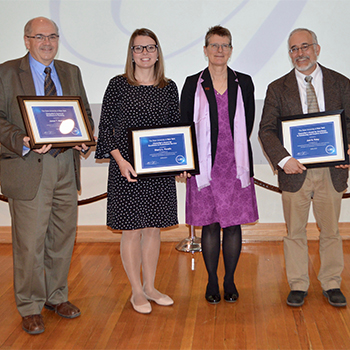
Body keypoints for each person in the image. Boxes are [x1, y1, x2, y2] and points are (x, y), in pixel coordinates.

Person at [0, 17, 93, 334]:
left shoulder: (70, 72)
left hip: (66, 164)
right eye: (39, 36)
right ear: (26, 40)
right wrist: (21, 140)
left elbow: (84, 114)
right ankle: (29, 306)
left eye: (52, 36)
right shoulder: (7, 72)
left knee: (62, 238)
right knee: (30, 243)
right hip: (29, 166)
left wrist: (85, 137)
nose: (47, 42)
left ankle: (56, 297)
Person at [259, 28, 350, 307]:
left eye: (305, 47)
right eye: (294, 49)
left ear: (317, 48)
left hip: (331, 171)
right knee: (294, 232)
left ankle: (332, 282)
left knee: (331, 231)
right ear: (289, 54)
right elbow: (266, 130)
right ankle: (298, 284)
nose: (300, 53)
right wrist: (284, 160)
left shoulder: (341, 83)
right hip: (294, 171)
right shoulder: (277, 88)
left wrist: (348, 149)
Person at [95, 28, 179, 314]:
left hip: (158, 168)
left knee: (153, 228)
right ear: (131, 54)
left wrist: (179, 163)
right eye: (138, 48)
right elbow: (106, 128)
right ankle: (136, 291)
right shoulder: (118, 85)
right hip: (126, 167)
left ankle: (151, 286)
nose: (145, 53)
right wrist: (120, 161)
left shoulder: (169, 87)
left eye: (150, 47)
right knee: (131, 230)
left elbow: (175, 130)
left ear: (158, 52)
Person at [180, 25, 258, 304]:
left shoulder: (244, 82)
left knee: (233, 225)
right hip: (204, 166)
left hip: (235, 164)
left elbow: (247, 123)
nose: (219, 50)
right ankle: (212, 281)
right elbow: (184, 125)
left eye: (224, 45)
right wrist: (187, 161)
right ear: (205, 50)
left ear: (231, 50)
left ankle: (229, 280)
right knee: (210, 225)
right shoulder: (192, 83)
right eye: (214, 45)